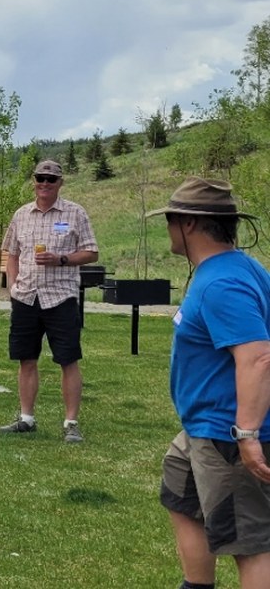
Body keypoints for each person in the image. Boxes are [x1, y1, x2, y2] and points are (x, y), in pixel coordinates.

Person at [147, 178, 270, 589]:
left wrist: (247, 434)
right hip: (203, 429)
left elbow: (258, 357)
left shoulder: (222, 283)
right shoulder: (231, 269)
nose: (168, 228)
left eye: (170, 220)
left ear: (189, 223)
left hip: (227, 434)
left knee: (249, 543)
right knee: (179, 490)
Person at [0, 160, 99, 443]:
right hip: (26, 297)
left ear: (60, 183)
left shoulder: (75, 213)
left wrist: (61, 259)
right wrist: (13, 286)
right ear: (34, 181)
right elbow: (12, 254)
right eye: (40, 178)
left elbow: (91, 252)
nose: (45, 183)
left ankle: (71, 424)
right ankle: (26, 419)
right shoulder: (21, 215)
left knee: (68, 360)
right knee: (26, 359)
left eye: (51, 179)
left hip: (60, 297)